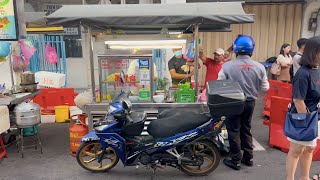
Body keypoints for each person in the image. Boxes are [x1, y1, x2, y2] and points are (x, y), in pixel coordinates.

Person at [218, 35, 269, 171]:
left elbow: (219, 84)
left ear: (235, 49)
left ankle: (236, 161)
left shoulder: (227, 66)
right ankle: (249, 158)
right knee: (246, 129)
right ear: (251, 50)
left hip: (233, 103)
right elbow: (265, 88)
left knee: (233, 131)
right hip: (250, 102)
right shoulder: (260, 67)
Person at [286, 36, 320, 180]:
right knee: (296, 150)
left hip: (315, 116)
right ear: (314, 52)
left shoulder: (317, 70)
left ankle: (304, 177)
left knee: (310, 148)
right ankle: (290, 178)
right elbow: (298, 100)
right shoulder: (303, 73)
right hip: (303, 118)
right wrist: (307, 123)